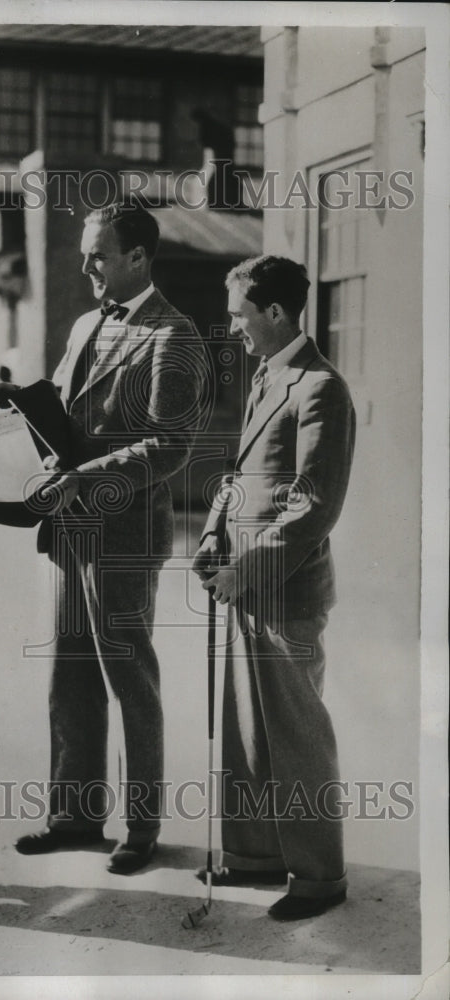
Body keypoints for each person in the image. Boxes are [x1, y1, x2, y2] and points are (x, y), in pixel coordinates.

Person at [15, 203, 205, 874]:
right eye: (85, 252)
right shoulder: (84, 323)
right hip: (68, 529)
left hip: (123, 534)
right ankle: (72, 814)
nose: (87, 265)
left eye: (99, 254)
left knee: (129, 676)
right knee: (69, 672)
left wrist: (83, 478)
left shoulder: (172, 335)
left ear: (138, 257)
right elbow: (63, 422)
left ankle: (142, 826)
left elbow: (171, 445)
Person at [192, 255, 355, 920]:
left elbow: (315, 505)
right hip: (244, 579)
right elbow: (240, 477)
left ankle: (319, 878)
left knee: (294, 735)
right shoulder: (270, 375)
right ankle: (257, 856)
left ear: (277, 313)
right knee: (247, 730)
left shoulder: (320, 387)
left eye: (239, 314)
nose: (232, 327)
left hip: (282, 590)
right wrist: (209, 537)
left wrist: (245, 567)